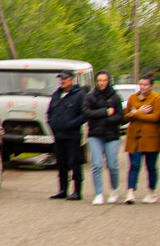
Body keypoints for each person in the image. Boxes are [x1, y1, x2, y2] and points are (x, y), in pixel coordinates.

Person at [83, 71, 125, 205]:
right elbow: (86, 112)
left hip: (111, 135)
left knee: (112, 165)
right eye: (99, 80)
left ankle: (114, 189)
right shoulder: (90, 96)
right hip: (95, 135)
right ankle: (98, 193)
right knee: (96, 164)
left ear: (108, 81)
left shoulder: (115, 97)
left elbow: (120, 116)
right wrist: (105, 112)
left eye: (104, 80)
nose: (101, 83)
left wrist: (107, 120)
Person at [122, 74, 160, 204]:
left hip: (151, 138)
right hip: (135, 137)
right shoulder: (132, 97)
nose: (143, 87)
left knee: (151, 166)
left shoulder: (156, 98)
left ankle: (152, 192)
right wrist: (135, 113)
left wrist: (137, 113)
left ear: (151, 86)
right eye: (141, 84)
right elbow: (126, 116)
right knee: (134, 165)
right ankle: (130, 191)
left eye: (145, 85)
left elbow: (156, 117)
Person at [46, 69, 88, 200]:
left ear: (71, 80)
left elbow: (84, 114)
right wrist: (52, 124)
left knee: (75, 162)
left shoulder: (80, 95)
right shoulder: (56, 95)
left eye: (64, 78)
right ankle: (63, 189)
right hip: (58, 135)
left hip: (73, 136)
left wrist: (72, 124)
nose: (62, 81)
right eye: (61, 79)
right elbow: (50, 113)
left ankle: (77, 191)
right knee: (61, 163)